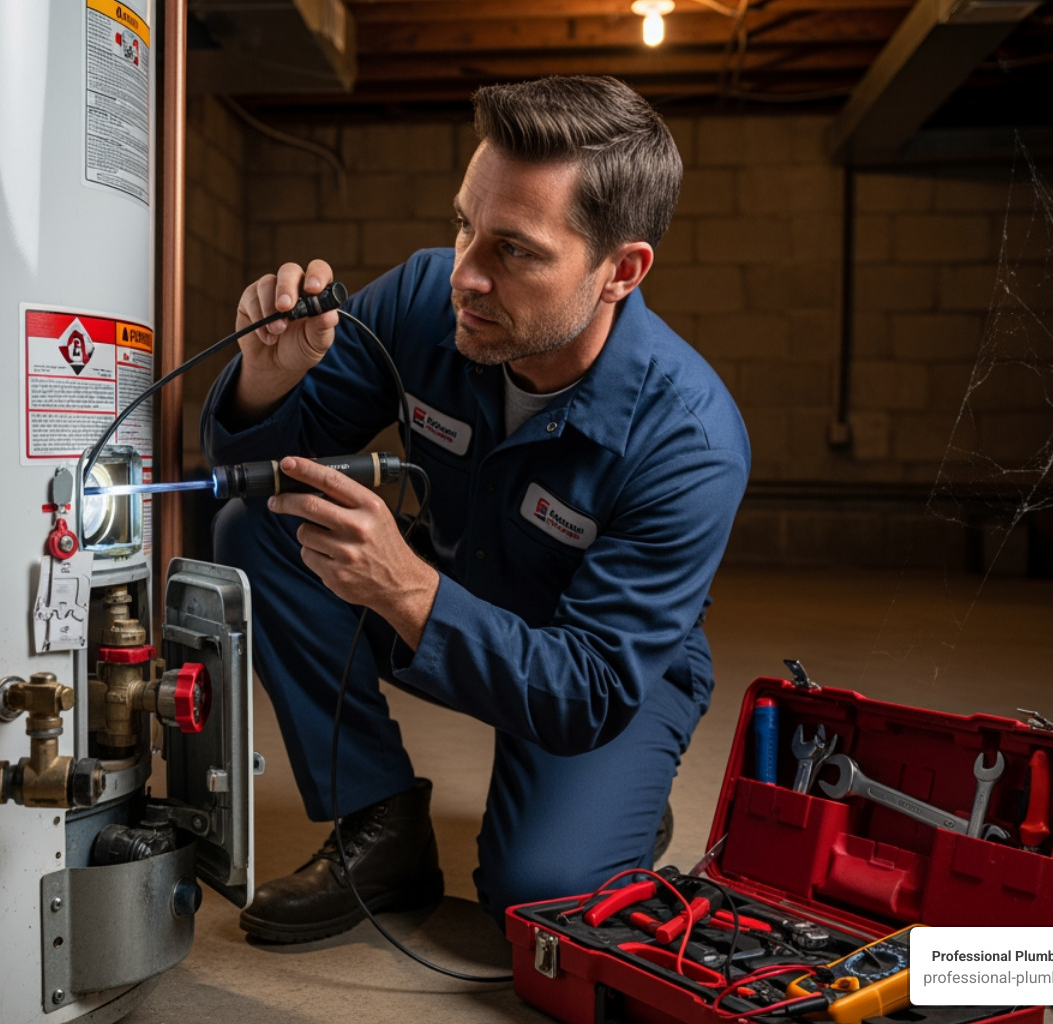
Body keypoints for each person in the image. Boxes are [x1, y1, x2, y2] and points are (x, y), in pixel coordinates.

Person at [200, 75, 750, 942]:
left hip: (598, 664)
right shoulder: (423, 299)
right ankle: (379, 822)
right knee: (257, 529)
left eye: (515, 251)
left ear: (620, 271)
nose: (465, 274)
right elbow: (251, 470)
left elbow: (592, 687)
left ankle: (617, 808)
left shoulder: (690, 441)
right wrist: (269, 377)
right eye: (464, 224)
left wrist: (409, 592)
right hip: (459, 584)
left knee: (539, 899)